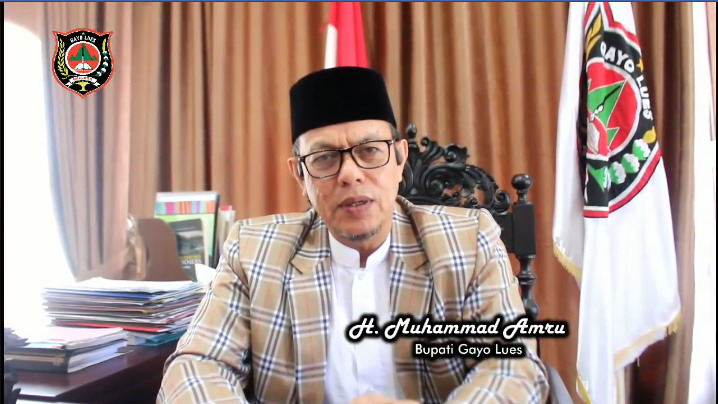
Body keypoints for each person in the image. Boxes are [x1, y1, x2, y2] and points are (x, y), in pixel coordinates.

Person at [157, 67, 549, 404]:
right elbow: (195, 366)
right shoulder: (253, 251)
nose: (349, 174)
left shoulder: (468, 241)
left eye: (370, 150)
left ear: (400, 159)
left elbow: (513, 368)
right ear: (300, 176)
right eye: (324, 157)